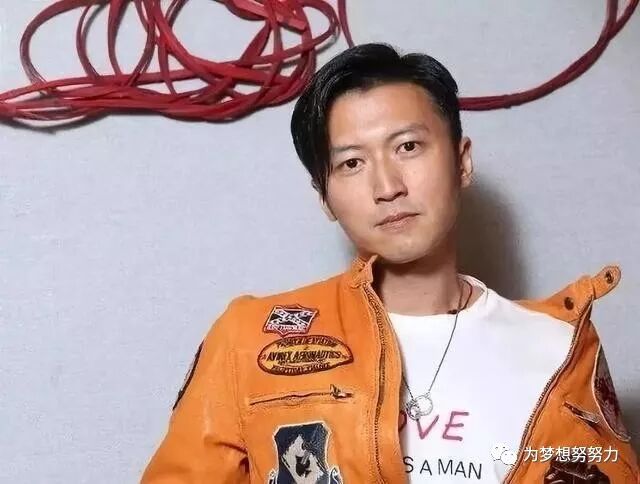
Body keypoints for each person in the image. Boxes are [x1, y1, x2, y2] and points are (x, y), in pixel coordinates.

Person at [140, 43, 638, 483]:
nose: (387, 187)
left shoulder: (559, 347)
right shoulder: (248, 340)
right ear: (325, 198)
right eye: (351, 163)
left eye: (408, 146)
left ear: (462, 161)